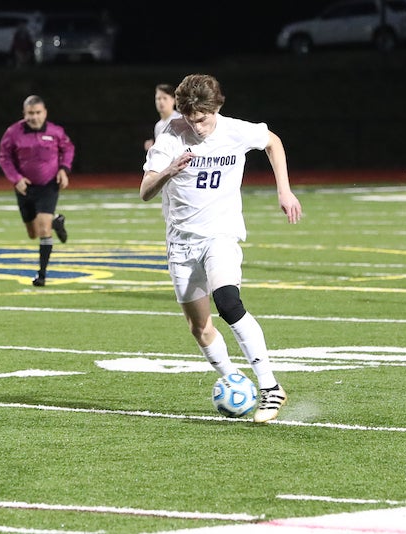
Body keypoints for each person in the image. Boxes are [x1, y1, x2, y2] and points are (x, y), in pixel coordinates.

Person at [140, 74, 302, 423]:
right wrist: (169, 170)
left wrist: (284, 191)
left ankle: (270, 387)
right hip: (181, 245)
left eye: (204, 118)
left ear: (217, 108)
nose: (198, 126)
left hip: (221, 236)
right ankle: (232, 377)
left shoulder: (234, 130)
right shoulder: (170, 137)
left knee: (228, 303)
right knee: (199, 327)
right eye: (191, 118)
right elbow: (145, 191)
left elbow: (272, 142)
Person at [0, 95, 74, 287]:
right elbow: (4, 157)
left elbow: (68, 149)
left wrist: (64, 169)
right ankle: (56, 221)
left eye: (38, 112)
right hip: (24, 188)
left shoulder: (55, 131)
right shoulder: (13, 132)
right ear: (24, 114)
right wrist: (16, 179)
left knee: (43, 230)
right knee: (32, 232)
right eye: (30, 113)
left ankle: (42, 275)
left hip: (49, 185)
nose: (34, 117)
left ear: (45, 113)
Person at [143, 83, 181, 152]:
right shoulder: (158, 126)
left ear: (173, 100)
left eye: (165, 98)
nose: (161, 102)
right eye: (158, 98)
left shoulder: (180, 119)